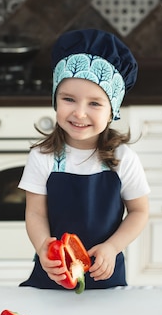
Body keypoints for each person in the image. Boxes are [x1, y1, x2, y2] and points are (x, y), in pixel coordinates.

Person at [18, 28, 150, 290]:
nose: (79, 113)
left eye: (94, 103)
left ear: (113, 111)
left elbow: (139, 211)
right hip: (53, 274)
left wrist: (113, 247)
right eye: (68, 99)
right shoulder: (42, 157)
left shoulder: (124, 159)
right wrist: (43, 246)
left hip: (106, 276)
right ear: (55, 100)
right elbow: (34, 213)